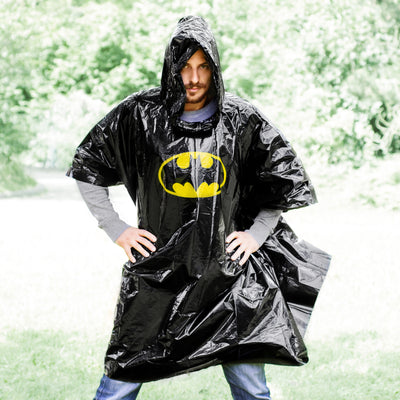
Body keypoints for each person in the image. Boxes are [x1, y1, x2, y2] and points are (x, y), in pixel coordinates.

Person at [68, 15, 330, 400]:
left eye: (203, 67)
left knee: (250, 387)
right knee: (122, 378)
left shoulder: (241, 119)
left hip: (228, 276)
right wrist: (116, 228)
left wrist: (256, 235)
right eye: (185, 67)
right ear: (171, 68)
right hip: (159, 273)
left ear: (215, 68)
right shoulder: (140, 115)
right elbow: (88, 164)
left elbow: (277, 182)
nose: (193, 78)